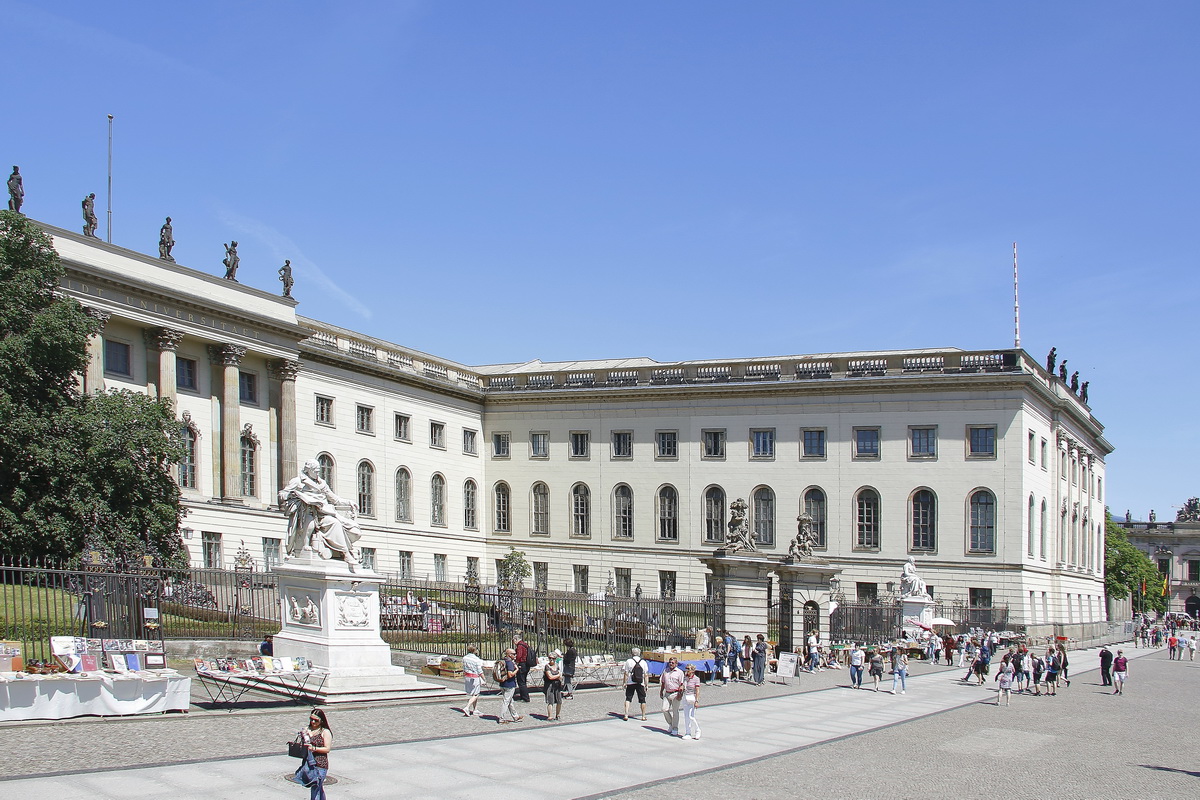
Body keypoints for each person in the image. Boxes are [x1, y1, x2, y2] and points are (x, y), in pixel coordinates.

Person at [279, 458, 362, 568]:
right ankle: (345, 553)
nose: (318, 473)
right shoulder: (298, 481)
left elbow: (335, 499)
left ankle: (342, 552)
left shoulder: (322, 483)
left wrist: (349, 502)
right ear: (309, 470)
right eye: (316, 471)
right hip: (307, 512)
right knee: (334, 524)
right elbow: (282, 494)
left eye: (319, 471)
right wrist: (292, 495)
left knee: (353, 529)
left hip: (324, 512)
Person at [303, 708, 332, 800]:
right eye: (311, 719)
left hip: (320, 764)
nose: (313, 722)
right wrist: (304, 736)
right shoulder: (307, 729)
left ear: (321, 721)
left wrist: (314, 748)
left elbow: (327, 749)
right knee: (318, 788)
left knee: (315, 788)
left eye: (316, 720)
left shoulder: (325, 732)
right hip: (309, 764)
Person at [660, 656, 685, 736]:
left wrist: (680, 694)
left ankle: (675, 728)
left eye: (672, 663)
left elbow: (681, 684)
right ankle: (671, 723)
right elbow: (663, 682)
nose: (671, 664)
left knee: (675, 711)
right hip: (667, 693)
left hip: (676, 693)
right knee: (664, 709)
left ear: (676, 664)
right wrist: (661, 691)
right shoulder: (665, 671)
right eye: (669, 662)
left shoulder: (679, 672)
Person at [495, 647, 522, 723]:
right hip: (509, 684)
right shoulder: (509, 662)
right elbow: (510, 675)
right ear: (509, 655)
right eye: (514, 654)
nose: (515, 655)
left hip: (502, 683)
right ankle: (502, 718)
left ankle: (515, 716)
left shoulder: (503, 660)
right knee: (506, 701)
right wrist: (516, 670)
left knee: (510, 701)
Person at [622, 647, 648, 721]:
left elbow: (626, 673)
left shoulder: (628, 661)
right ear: (639, 653)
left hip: (631, 682)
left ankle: (626, 715)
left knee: (628, 698)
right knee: (642, 699)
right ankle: (643, 716)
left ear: (632, 653)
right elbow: (646, 675)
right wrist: (646, 685)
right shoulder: (643, 662)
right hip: (640, 682)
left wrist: (624, 683)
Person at [681, 663, 702, 740]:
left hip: (692, 698)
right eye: (686, 669)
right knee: (686, 716)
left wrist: (697, 701)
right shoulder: (685, 678)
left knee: (691, 716)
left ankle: (697, 730)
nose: (686, 670)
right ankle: (688, 732)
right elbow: (683, 686)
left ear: (692, 670)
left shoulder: (696, 679)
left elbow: (697, 691)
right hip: (685, 697)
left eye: (688, 669)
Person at [462, 645, 484, 717]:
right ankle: (467, 707)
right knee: (476, 694)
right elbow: (480, 671)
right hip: (475, 677)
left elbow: (464, 667)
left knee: (474, 693)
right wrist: (484, 678)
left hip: (467, 676)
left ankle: (475, 709)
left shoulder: (465, 658)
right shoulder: (476, 659)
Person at [544, 649, 564, 720]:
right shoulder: (547, 666)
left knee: (559, 701)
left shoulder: (557, 665)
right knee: (550, 701)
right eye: (550, 658)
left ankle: (558, 715)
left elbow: (560, 675)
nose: (551, 659)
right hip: (549, 686)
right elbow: (550, 677)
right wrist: (558, 676)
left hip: (557, 685)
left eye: (553, 658)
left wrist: (559, 676)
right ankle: (550, 716)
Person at [512, 634, 533, 702]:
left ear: (516, 639)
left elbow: (519, 656)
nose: (513, 643)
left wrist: (516, 662)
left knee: (521, 681)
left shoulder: (520, 646)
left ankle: (525, 697)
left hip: (522, 664)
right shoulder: (525, 644)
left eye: (513, 641)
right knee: (523, 681)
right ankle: (523, 696)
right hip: (527, 664)